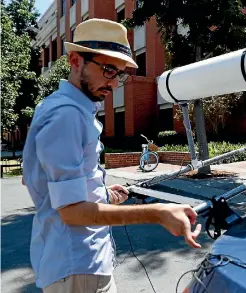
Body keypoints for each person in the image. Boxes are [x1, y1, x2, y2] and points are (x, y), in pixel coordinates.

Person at [22, 19, 201, 293]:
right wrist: (158, 213)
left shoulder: (61, 109)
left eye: (120, 74)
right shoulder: (66, 116)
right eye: (108, 70)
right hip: (78, 265)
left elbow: (43, 180)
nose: (115, 83)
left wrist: (101, 194)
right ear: (75, 59)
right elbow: (71, 212)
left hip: (79, 263)